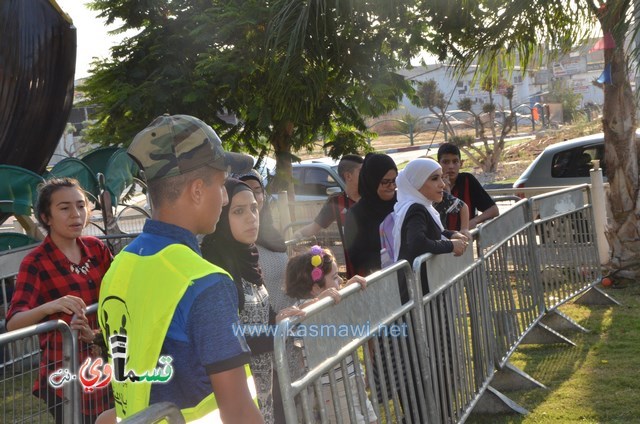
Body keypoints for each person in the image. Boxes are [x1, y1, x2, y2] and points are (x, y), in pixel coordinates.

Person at [97, 114, 263, 423]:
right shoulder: (204, 282)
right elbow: (238, 410)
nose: (225, 197)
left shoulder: (120, 266)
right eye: (221, 185)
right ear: (197, 190)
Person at [6, 177, 113, 424]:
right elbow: (13, 323)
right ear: (46, 217)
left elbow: (119, 295)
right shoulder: (35, 263)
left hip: (107, 365)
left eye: (80, 205)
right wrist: (51, 307)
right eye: (64, 208)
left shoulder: (97, 248)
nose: (76, 214)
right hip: (66, 376)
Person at [284, 246, 376, 424]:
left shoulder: (329, 304)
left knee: (372, 420)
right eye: (335, 278)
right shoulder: (305, 312)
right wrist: (319, 302)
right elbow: (300, 314)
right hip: (333, 390)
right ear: (316, 289)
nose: (340, 280)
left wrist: (348, 290)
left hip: (352, 379)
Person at [393, 158, 468, 299]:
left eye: (442, 177)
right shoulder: (416, 209)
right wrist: (450, 245)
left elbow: (432, 231)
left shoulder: (423, 206)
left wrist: (451, 234)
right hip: (418, 291)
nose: (442, 185)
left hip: (425, 286)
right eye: (434, 179)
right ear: (417, 183)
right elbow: (417, 242)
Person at [293, 154, 363, 276]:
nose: (366, 175)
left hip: (381, 267)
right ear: (348, 176)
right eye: (361, 171)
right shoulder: (336, 202)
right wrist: (298, 234)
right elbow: (314, 227)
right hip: (355, 273)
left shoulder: (374, 197)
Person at [344, 153, 397, 277]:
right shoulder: (356, 214)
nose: (392, 186)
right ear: (372, 181)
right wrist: (387, 257)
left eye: (394, 181)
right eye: (385, 182)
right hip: (378, 280)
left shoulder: (401, 203)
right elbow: (356, 255)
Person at [437, 143, 499, 230]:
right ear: (438, 164)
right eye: (446, 162)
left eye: (455, 161)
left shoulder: (467, 180)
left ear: (461, 163)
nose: (451, 166)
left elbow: (493, 210)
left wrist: (474, 221)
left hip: (465, 239)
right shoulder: (433, 183)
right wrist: (446, 192)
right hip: (441, 240)